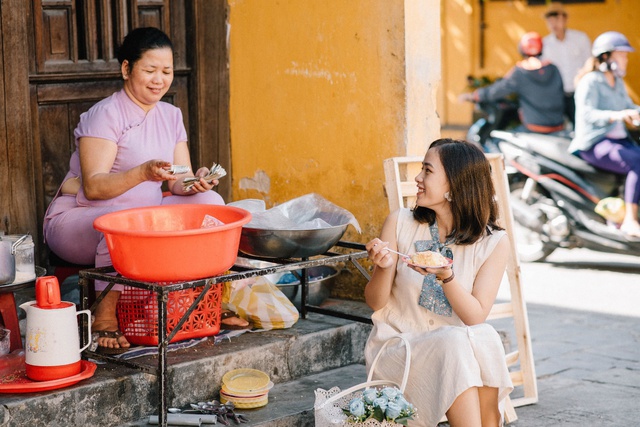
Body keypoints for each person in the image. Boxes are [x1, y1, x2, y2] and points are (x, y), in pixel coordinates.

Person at [43, 27, 248, 354]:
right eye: (149, 70)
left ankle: (203, 300)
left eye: (166, 71)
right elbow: (94, 187)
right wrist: (142, 172)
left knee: (211, 202)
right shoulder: (105, 115)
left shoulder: (171, 115)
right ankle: (104, 314)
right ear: (126, 69)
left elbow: (177, 179)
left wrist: (198, 180)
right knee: (120, 222)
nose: (159, 79)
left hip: (143, 221)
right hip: (80, 222)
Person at [364, 138, 513, 427]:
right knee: (455, 341)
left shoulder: (493, 242)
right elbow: (375, 302)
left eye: (427, 171)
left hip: (455, 357)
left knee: (483, 337)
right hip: (399, 350)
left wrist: (447, 277)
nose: (418, 178)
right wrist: (383, 268)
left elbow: (475, 316)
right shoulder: (400, 222)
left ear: (454, 186)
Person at [569, 31, 640, 238]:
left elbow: (629, 107)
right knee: (637, 161)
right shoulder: (590, 81)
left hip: (618, 141)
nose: (626, 60)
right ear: (606, 56)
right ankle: (629, 221)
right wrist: (617, 115)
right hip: (594, 143)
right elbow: (586, 113)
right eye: (622, 55)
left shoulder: (617, 83)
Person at [460, 32, 565, 135]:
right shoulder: (553, 68)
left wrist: (474, 95)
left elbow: (497, 90)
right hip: (558, 126)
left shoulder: (521, 71)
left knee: (498, 141)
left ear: (521, 49)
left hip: (533, 127)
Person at [540, 2, 592, 127]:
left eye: (557, 19)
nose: (553, 24)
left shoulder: (580, 38)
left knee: (581, 126)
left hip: (579, 93)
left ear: (565, 19)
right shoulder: (545, 44)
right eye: (550, 20)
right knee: (558, 129)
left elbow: (590, 63)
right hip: (556, 96)